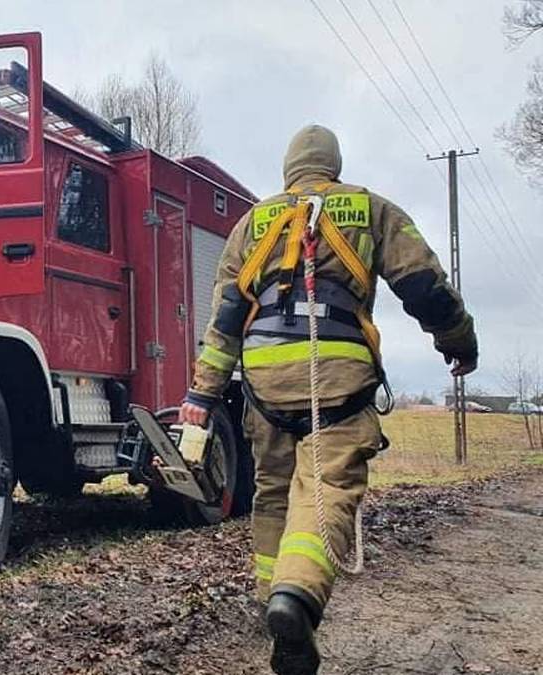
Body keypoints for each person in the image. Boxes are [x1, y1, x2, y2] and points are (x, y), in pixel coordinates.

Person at [178, 125, 478, 675]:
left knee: (272, 493)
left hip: (265, 386)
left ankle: (272, 601)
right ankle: (295, 598)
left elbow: (226, 318)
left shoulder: (252, 223)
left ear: (289, 168)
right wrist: (458, 340)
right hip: (336, 380)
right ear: (333, 165)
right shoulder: (371, 209)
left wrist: (203, 392)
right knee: (326, 487)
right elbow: (423, 285)